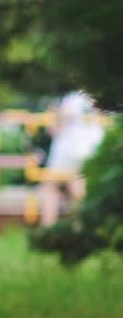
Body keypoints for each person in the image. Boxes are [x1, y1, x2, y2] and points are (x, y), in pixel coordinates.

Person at [39, 90, 105, 227]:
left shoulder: (72, 96)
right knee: (77, 188)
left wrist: (51, 127)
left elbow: (56, 126)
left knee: (50, 186)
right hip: (92, 146)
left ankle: (47, 228)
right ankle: (79, 227)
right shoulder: (101, 92)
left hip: (68, 147)